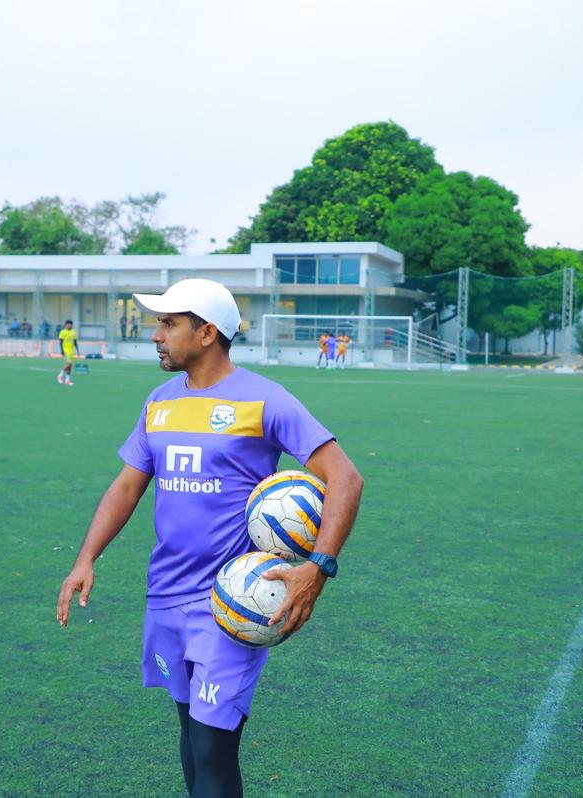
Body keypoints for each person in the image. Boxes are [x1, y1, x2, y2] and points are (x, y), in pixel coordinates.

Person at [56, 278, 363, 798]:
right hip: (165, 595)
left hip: (231, 602)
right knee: (189, 733)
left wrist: (319, 567)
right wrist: (86, 558)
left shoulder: (265, 400)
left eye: (168, 324)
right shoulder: (159, 402)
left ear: (207, 333)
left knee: (213, 749)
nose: (156, 335)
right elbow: (128, 485)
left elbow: (346, 478)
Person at [57, 319, 79, 386]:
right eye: (67, 324)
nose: (69, 325)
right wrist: (62, 350)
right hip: (66, 350)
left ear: (72, 325)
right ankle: (60, 375)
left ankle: (67, 380)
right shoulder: (63, 332)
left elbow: (75, 341)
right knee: (69, 364)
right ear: (65, 325)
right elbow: (60, 342)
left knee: (70, 366)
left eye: (70, 324)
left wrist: (77, 349)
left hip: (71, 351)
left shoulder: (74, 332)